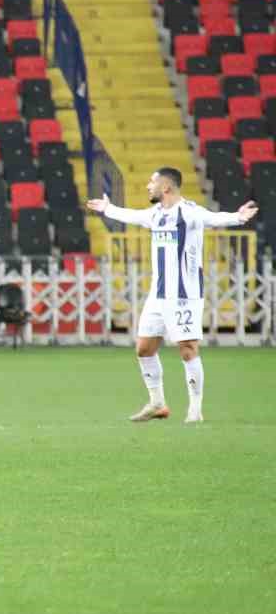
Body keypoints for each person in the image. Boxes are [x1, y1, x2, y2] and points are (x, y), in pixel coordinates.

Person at [86, 169, 259, 423]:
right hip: (158, 294)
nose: (148, 186)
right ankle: (157, 403)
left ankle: (195, 410)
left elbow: (213, 218)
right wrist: (107, 209)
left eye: (152, 182)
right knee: (144, 349)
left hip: (184, 295)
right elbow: (133, 216)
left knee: (188, 349)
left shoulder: (189, 212)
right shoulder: (155, 215)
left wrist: (238, 218)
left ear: (165, 187)